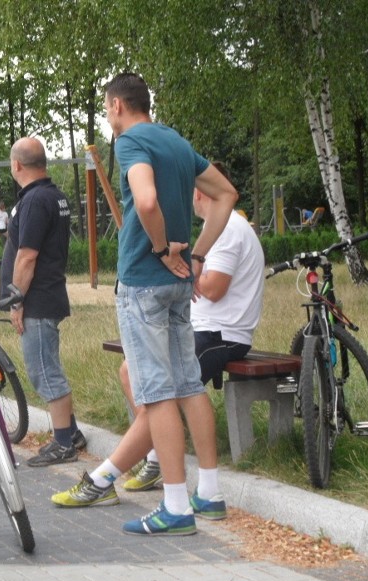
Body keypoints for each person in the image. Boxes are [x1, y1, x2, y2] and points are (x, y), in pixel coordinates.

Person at [51, 162, 265, 509]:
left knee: (161, 394)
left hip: (221, 334)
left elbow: (214, 287)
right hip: (204, 327)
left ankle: (108, 476)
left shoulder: (229, 229)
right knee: (132, 374)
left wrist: (179, 269)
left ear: (198, 191)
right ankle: (155, 456)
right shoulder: (224, 226)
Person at [93, 73, 238, 536]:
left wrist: (162, 248)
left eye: (106, 109)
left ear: (118, 105)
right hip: (180, 287)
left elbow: (147, 199)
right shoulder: (177, 143)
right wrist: (195, 253)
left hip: (143, 280)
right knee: (190, 385)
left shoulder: (130, 143)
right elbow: (227, 194)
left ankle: (176, 507)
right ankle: (210, 494)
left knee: (155, 395)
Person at [0, 137, 86, 466]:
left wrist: (16, 301)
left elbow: (27, 257)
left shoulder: (34, 201)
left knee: (44, 371)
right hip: (48, 293)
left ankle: (64, 443)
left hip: (37, 299)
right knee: (47, 366)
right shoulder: (54, 196)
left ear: (17, 165)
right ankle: (72, 431)